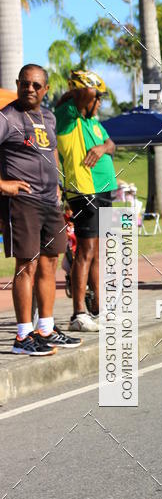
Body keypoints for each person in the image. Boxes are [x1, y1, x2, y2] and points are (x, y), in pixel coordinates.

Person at [0, 64, 80, 355]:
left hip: (50, 201)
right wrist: (3, 185)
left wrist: (58, 183)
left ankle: (45, 329)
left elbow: (52, 150)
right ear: (18, 83)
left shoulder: (47, 116)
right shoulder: (7, 117)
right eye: (25, 83)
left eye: (36, 85)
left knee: (49, 263)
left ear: (45, 90)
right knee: (27, 265)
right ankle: (22, 336)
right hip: (23, 202)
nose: (29, 89)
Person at [54, 70, 116, 332]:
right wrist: (83, 85)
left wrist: (101, 148)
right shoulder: (69, 118)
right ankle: (78, 313)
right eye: (97, 97)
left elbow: (112, 144)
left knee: (98, 254)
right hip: (84, 192)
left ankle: (99, 310)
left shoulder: (94, 122)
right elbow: (77, 97)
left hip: (104, 190)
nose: (100, 102)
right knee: (85, 253)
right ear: (84, 96)